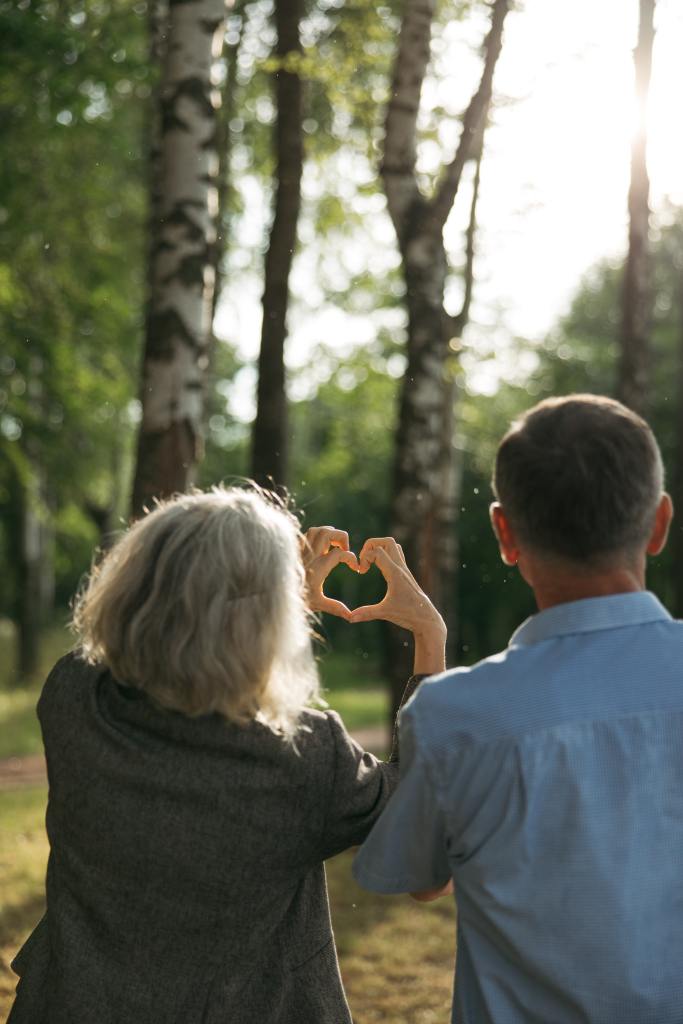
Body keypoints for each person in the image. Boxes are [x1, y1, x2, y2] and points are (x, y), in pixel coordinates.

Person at [8, 485, 446, 1024]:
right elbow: (429, 868)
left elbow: (153, 649)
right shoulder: (307, 756)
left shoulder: (74, 696)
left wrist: (274, 598)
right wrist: (429, 637)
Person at [352, 394, 683, 1024]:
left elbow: (425, 879)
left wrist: (429, 641)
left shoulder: (455, 717)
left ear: (504, 533)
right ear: (660, 522)